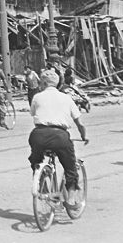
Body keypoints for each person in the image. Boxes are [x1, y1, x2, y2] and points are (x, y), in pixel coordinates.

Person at [28, 69, 88, 198]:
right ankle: (71, 198)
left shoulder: (37, 97)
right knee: (70, 166)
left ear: (43, 84)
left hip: (38, 135)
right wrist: (84, 136)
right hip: (60, 136)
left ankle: (42, 185)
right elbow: (79, 123)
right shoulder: (66, 98)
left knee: (35, 160)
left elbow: (33, 113)